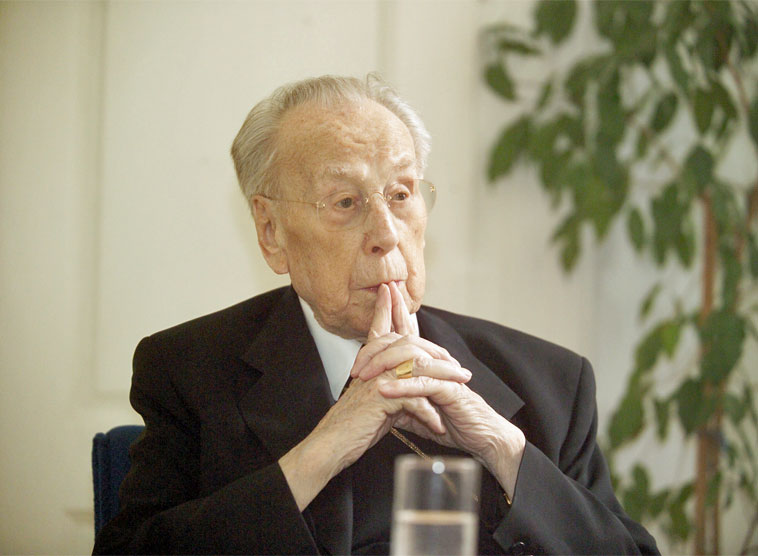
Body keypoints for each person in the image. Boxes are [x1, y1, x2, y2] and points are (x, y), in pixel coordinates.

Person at [93, 74, 659, 555]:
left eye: (402, 194)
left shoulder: (551, 384)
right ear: (271, 231)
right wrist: (321, 452)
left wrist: (502, 449)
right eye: (345, 202)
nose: (386, 233)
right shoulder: (188, 371)